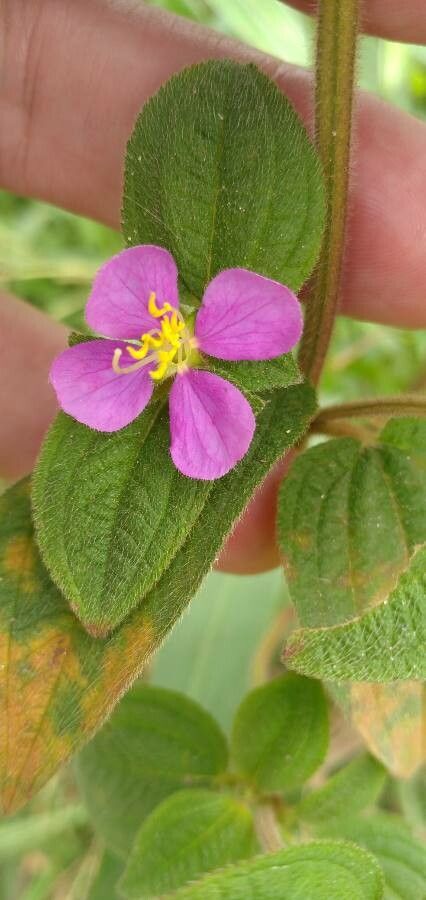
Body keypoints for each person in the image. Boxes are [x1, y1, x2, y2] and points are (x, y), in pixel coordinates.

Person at [1, 0, 425, 573]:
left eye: (170, 340)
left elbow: (260, 318)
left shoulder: (206, 335)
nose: (169, 344)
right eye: (169, 342)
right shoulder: (155, 337)